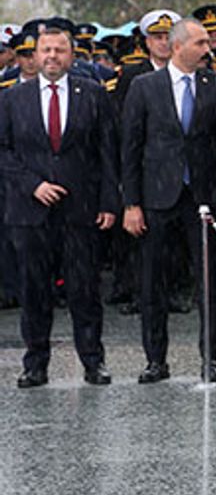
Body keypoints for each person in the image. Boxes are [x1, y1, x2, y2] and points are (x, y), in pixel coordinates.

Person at [0, 26, 120, 388]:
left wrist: (109, 202)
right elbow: (3, 152)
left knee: (85, 291)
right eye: (46, 50)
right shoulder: (11, 98)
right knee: (35, 291)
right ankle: (35, 363)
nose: (52, 56)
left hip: (80, 211)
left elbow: (106, 153)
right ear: (35, 56)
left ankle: (93, 361)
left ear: (72, 55)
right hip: (30, 212)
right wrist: (32, 185)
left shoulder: (93, 95)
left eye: (60, 50)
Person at [121, 17, 216, 384]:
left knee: (209, 283)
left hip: (203, 198)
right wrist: (131, 203)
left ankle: (211, 359)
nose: (209, 49)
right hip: (157, 198)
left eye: (207, 43)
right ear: (177, 47)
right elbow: (131, 147)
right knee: (153, 281)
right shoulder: (144, 87)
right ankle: (155, 359)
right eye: (200, 43)